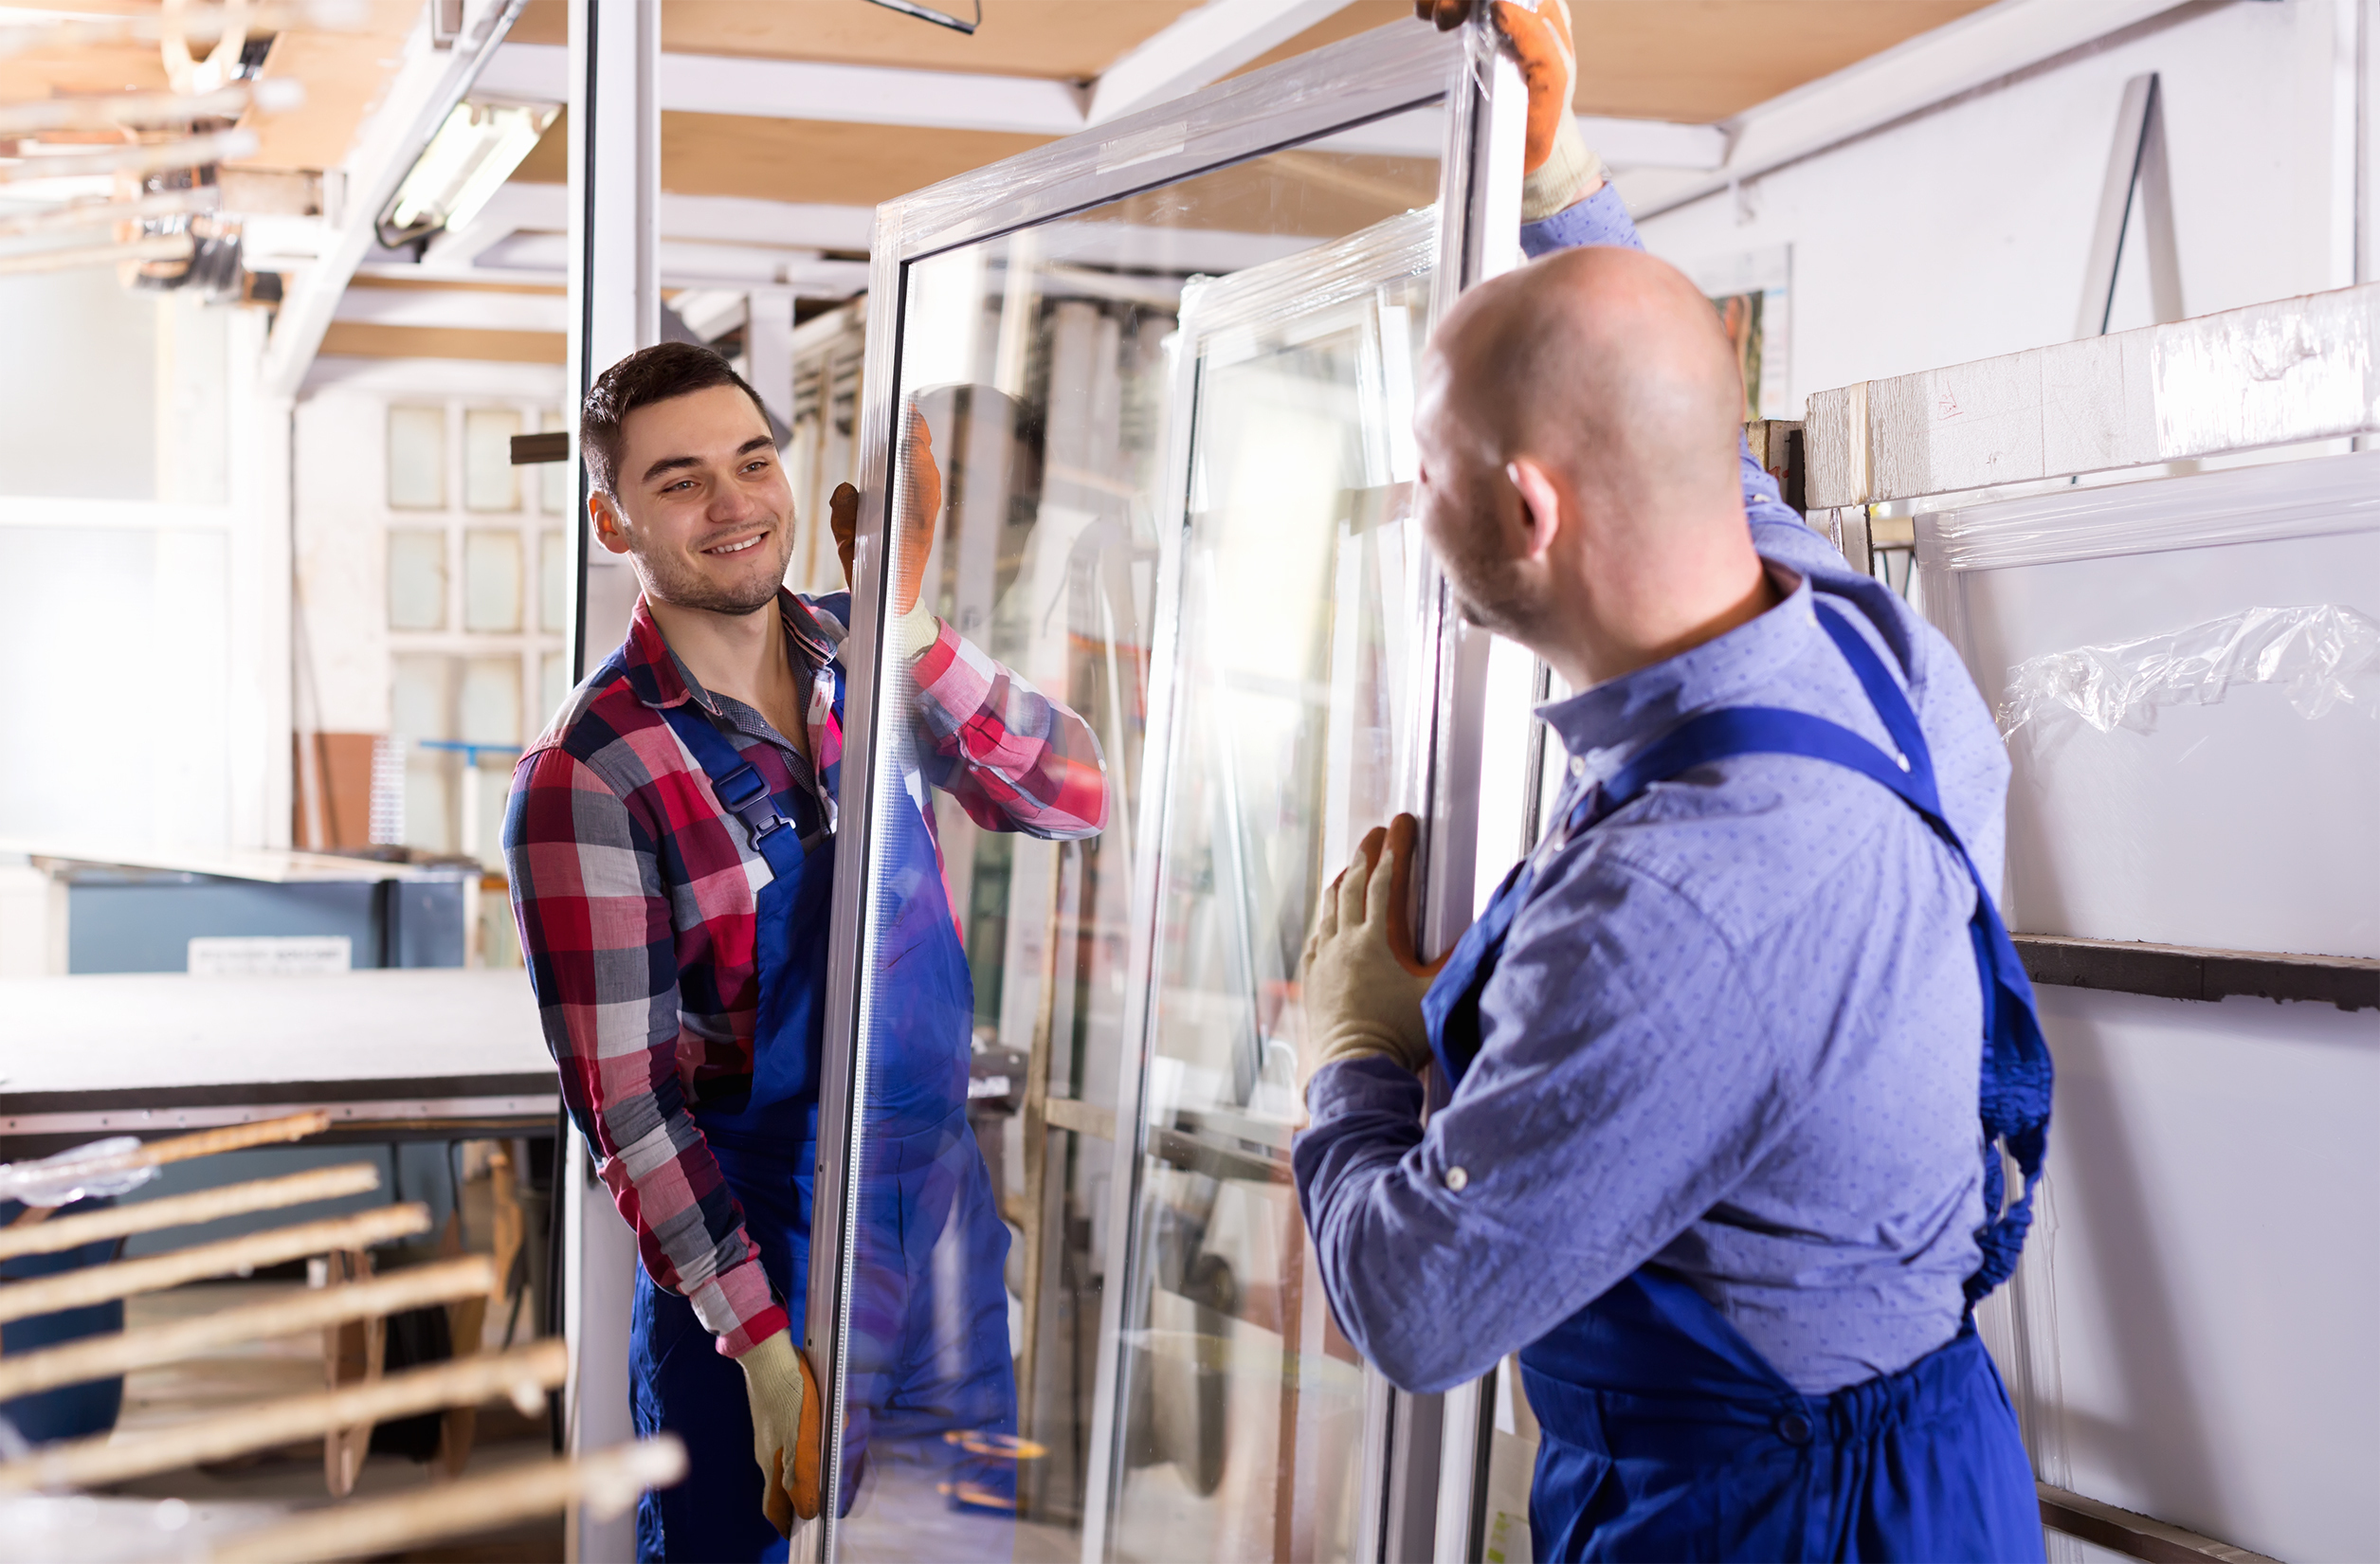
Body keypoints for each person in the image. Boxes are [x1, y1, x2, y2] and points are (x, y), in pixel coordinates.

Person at [1290, 4, 2053, 1560]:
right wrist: (1555, 166)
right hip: (1922, 1458)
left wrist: (1350, 1056)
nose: (1405, 513)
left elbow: (1420, 1312)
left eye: (1421, 476)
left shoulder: (1675, 902)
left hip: (1773, 1517)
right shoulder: (1866, 650)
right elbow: (1707, 451)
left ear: (1525, 505)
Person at [502, 343, 1107, 1561]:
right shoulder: (590, 772)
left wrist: (917, 628)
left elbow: (1075, 793)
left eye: (753, 461)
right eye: (679, 481)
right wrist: (761, 1349)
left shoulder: (868, 660)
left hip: (939, 1225)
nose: (734, 504)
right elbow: (632, 1111)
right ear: (611, 520)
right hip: (758, 1257)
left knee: (959, 1550)